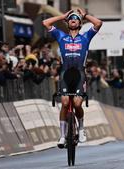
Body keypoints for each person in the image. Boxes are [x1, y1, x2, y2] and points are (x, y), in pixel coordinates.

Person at [43, 8, 102, 148]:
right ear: (67, 22)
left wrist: (85, 15)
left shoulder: (86, 37)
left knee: (76, 104)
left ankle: (81, 128)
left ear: (80, 22)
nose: (73, 20)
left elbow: (99, 23)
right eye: (70, 18)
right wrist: (62, 16)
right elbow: (45, 22)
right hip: (65, 74)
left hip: (79, 74)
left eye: (76, 18)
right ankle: (62, 136)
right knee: (64, 103)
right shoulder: (61, 36)